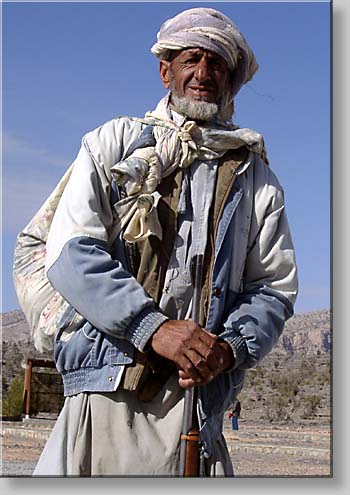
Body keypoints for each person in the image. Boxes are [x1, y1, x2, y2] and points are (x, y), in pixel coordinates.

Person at [32, 7, 298, 477]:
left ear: (231, 78)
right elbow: (73, 254)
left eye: (217, 64)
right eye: (191, 59)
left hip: (198, 401)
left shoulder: (257, 179)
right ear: (165, 71)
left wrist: (228, 349)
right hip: (108, 391)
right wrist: (152, 328)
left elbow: (273, 287)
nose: (203, 74)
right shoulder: (112, 144)